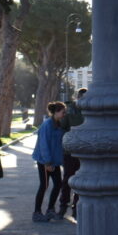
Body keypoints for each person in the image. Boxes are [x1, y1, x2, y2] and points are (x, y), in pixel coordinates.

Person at [32, 101, 66, 222]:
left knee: (58, 184)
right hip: (45, 161)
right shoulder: (47, 125)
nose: (64, 114)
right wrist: (47, 162)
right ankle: (37, 212)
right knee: (44, 185)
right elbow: (44, 144)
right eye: (63, 112)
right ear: (56, 112)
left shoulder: (58, 124)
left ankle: (50, 209)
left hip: (54, 161)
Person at [56, 87, 86, 220]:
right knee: (67, 179)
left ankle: (76, 207)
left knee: (81, 180)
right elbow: (61, 128)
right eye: (82, 98)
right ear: (78, 98)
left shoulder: (89, 110)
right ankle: (63, 206)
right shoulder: (69, 110)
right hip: (69, 151)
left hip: (85, 151)